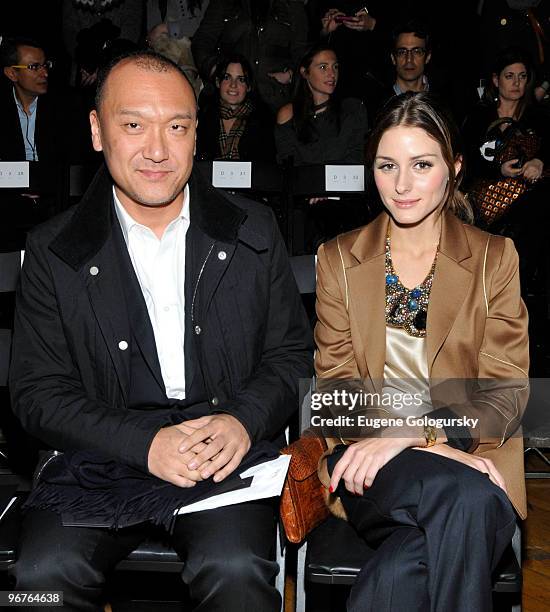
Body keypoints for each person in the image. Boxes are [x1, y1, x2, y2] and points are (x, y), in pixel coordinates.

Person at [8, 50, 313, 612]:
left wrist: (243, 421)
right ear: (98, 132)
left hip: (221, 454)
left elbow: (292, 356)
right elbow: (36, 394)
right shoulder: (55, 250)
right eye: (133, 125)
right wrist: (143, 443)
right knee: (40, 581)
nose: (156, 149)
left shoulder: (253, 231)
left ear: (198, 133)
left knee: (237, 569)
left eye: (176, 126)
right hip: (97, 457)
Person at [313, 92, 529, 611]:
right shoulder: (339, 258)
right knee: (470, 499)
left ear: (453, 167)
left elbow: (505, 392)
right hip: (370, 464)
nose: (403, 185)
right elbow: (337, 390)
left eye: (422, 164)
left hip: (473, 456)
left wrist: (423, 432)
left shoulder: (493, 259)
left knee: (413, 561)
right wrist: (417, 443)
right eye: (388, 166)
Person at [462, 46, 549, 294]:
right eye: (509, 76)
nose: (516, 83)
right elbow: (465, 159)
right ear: (495, 79)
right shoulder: (478, 117)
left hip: (525, 209)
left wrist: (539, 161)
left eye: (522, 76)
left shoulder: (538, 117)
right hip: (482, 204)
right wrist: (497, 169)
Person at [191, 0, 309, 113]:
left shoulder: (291, 4)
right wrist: (216, 71)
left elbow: (303, 51)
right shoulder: (225, 3)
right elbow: (202, 41)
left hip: (275, 97)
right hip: (230, 97)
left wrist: (290, 75)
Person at [275, 44, 367, 166]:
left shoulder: (352, 109)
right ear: (305, 72)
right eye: (323, 67)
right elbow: (288, 165)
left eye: (335, 67)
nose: (332, 74)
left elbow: (356, 159)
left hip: (342, 183)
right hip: (304, 183)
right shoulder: (289, 114)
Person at [196, 55, 275, 161]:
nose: (233, 85)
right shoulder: (203, 118)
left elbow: (268, 165)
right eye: (227, 78)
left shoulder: (264, 120)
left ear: (249, 86)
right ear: (218, 82)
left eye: (241, 79)